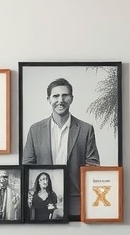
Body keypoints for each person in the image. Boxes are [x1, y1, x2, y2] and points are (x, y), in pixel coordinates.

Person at [22, 77, 100, 217]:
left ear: (71, 98)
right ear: (49, 99)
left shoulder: (86, 129)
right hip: (42, 202)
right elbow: (27, 166)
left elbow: (93, 165)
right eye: (56, 96)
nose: (60, 100)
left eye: (65, 95)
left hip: (76, 200)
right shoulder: (35, 130)